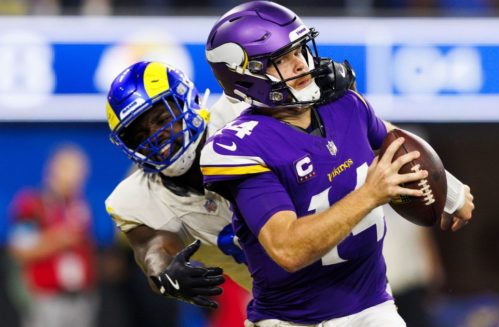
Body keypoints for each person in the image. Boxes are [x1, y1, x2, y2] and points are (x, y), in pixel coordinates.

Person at [200, 1, 475, 326]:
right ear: (246, 75)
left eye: (299, 51)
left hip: (373, 309)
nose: (300, 64)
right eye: (280, 59)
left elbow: (395, 142)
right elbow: (288, 250)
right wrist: (369, 196)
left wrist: (451, 194)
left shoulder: (347, 105)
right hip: (291, 320)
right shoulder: (240, 146)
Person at [104, 57, 355, 308]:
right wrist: (165, 273)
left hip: (349, 274)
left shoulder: (243, 112)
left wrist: (331, 90)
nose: (156, 137)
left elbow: (332, 127)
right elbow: (153, 248)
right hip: (284, 311)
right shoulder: (137, 198)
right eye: (140, 135)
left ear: (186, 101)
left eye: (161, 120)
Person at [7, 145, 98, 327]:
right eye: (74, 171)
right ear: (55, 170)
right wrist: (57, 240)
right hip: (46, 299)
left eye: (82, 173)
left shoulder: (79, 205)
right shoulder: (32, 204)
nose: (79, 178)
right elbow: (19, 250)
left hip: (82, 298)